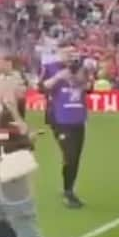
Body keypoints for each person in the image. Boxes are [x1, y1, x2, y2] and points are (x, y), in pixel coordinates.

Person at [0, 49, 62, 237]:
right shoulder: (7, 107)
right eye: (17, 83)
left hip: (9, 157)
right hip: (9, 163)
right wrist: (21, 128)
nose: (23, 87)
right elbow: (7, 133)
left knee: (10, 209)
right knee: (23, 211)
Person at [41, 47, 89, 209]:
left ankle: (68, 187)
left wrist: (82, 79)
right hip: (59, 118)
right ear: (60, 54)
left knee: (75, 156)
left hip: (78, 118)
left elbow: (89, 88)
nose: (71, 57)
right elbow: (41, 88)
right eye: (67, 54)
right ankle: (69, 193)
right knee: (70, 155)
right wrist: (58, 77)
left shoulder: (83, 68)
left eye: (74, 54)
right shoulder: (51, 68)